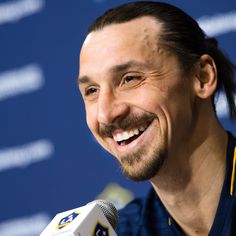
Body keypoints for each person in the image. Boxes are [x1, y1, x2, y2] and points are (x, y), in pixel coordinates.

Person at [78, 1, 236, 235]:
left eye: (130, 79)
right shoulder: (124, 231)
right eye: (91, 91)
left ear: (201, 77)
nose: (106, 113)